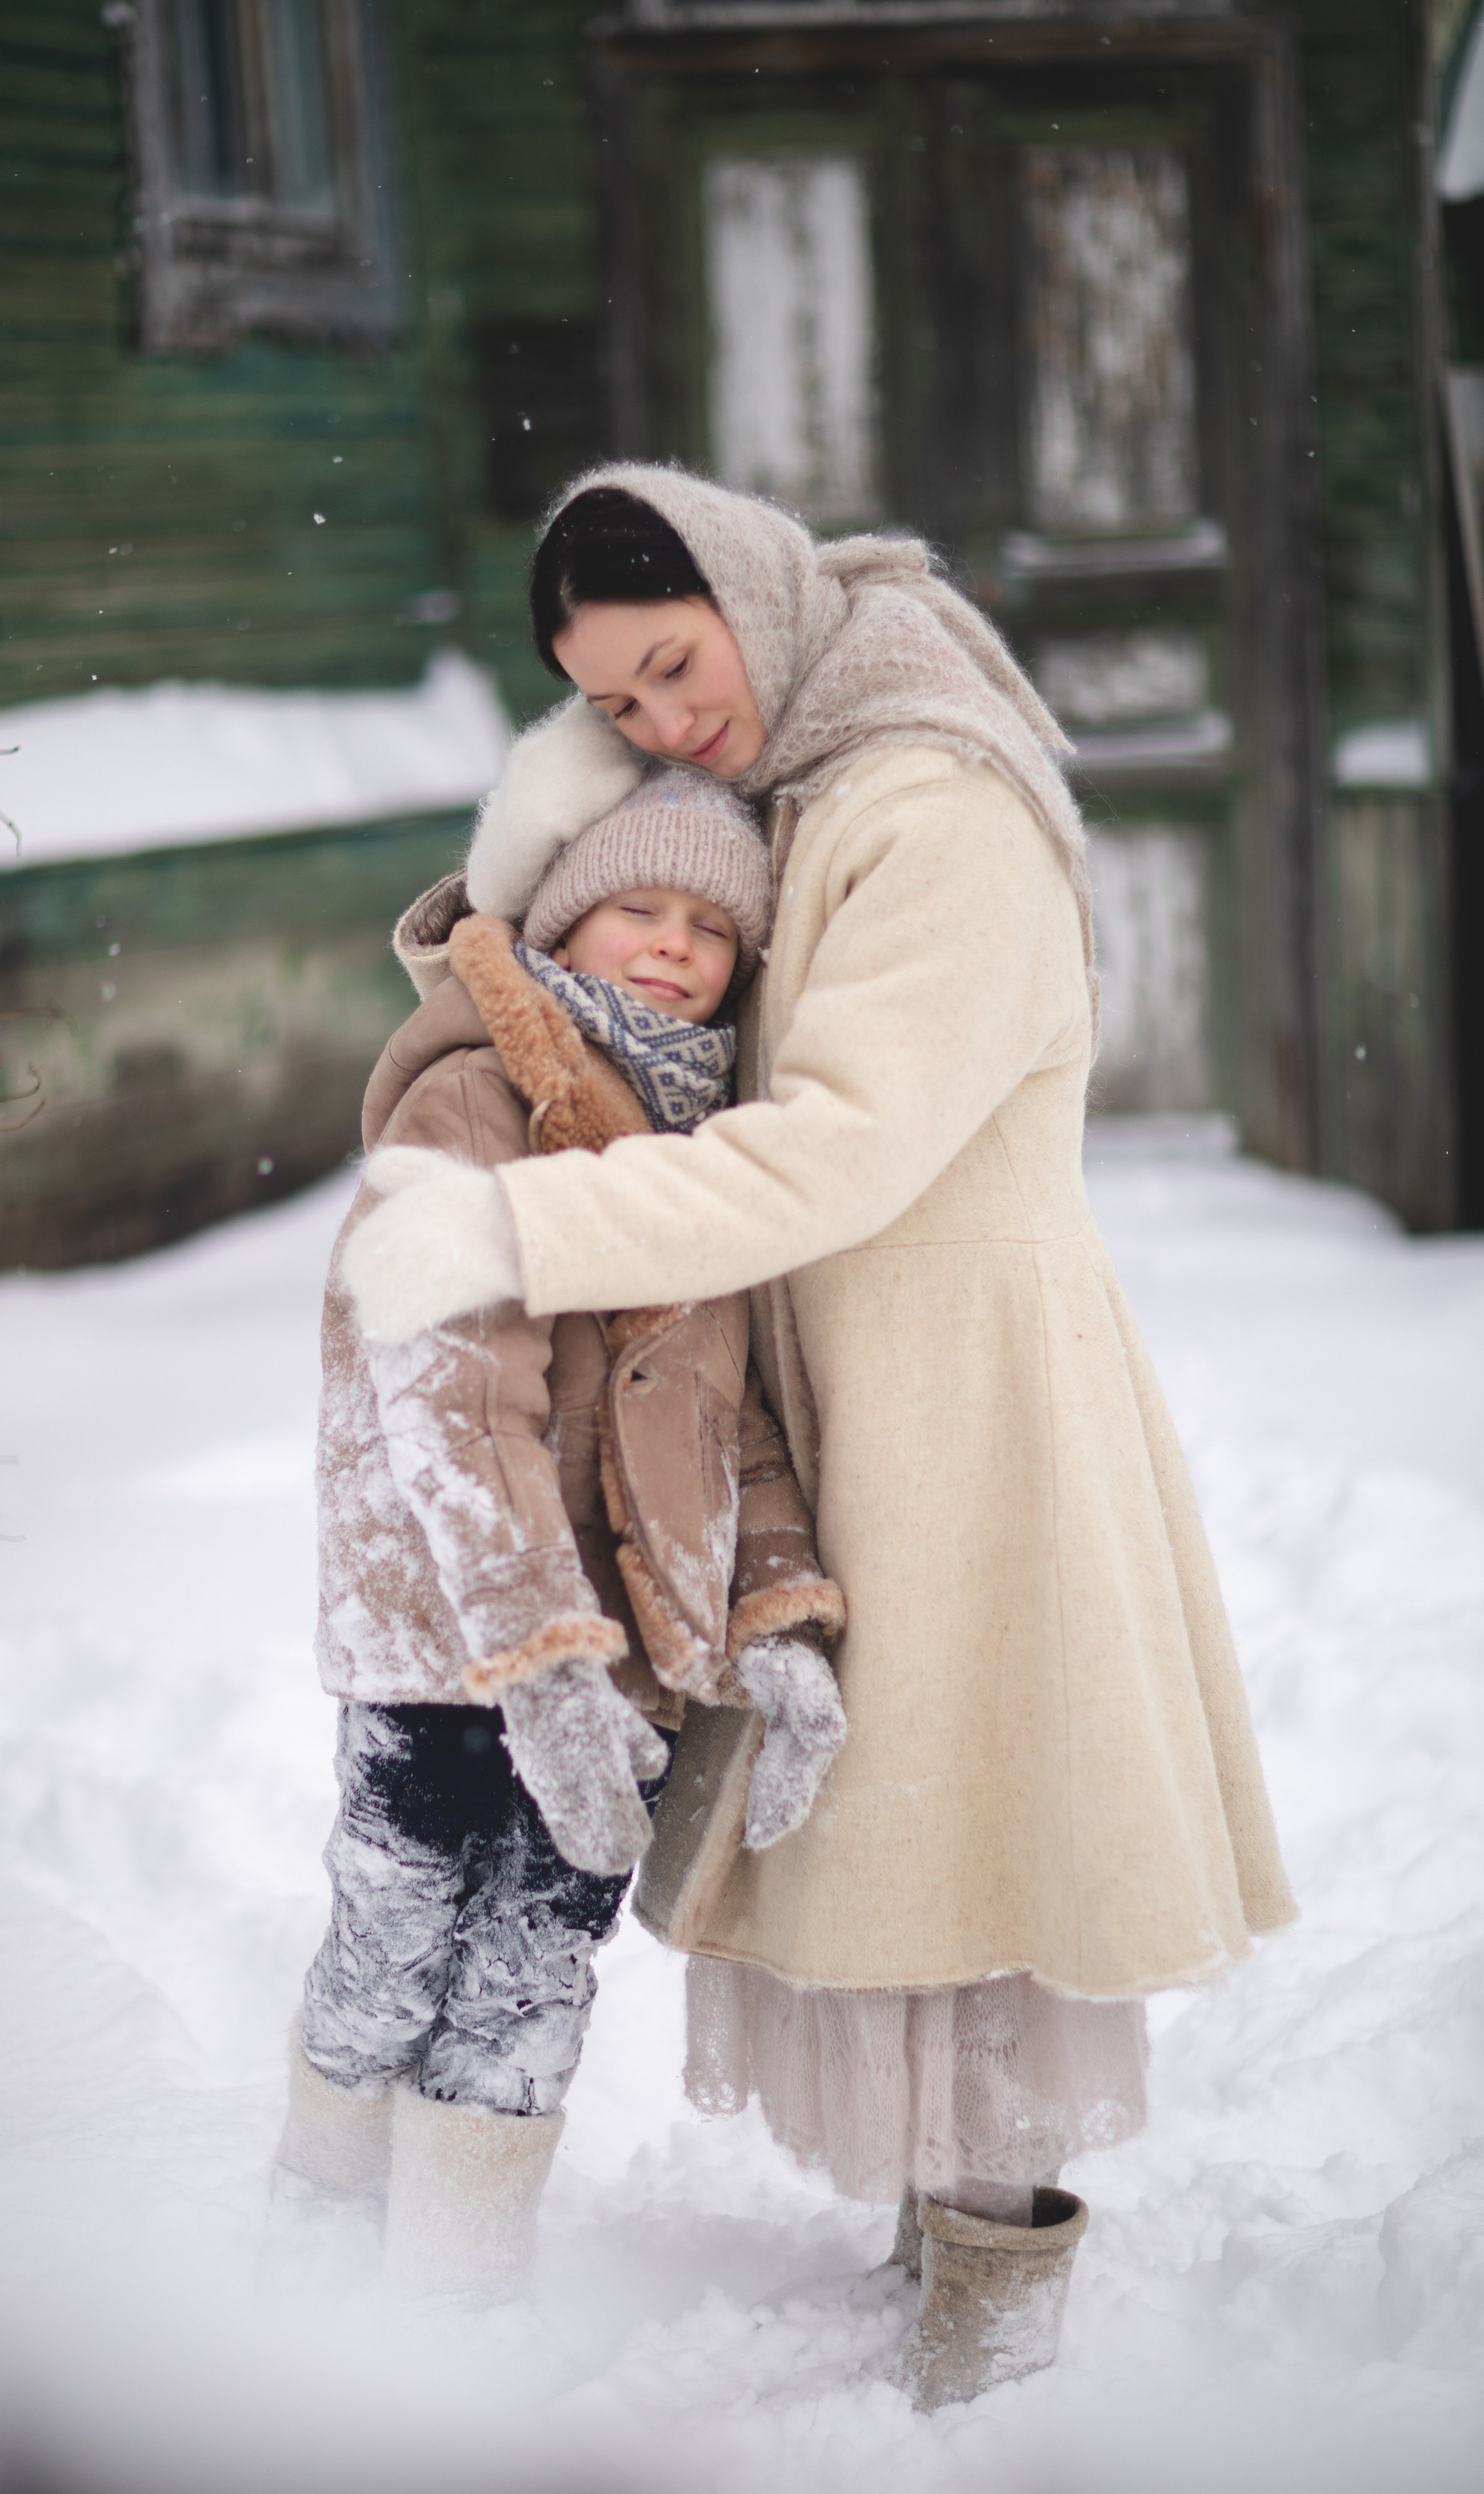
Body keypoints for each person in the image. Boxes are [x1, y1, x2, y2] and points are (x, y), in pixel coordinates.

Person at [340, 466, 1299, 2404]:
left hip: (963, 1392)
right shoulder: (795, 794)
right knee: (898, 1821)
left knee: (988, 1822)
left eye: (676, 667)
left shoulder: (932, 803)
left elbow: (844, 1145)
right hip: (837, 1373)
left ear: (757, 605)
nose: (663, 725)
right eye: (612, 706)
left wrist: (518, 1230)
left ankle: (998, 2289)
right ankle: (941, 2234)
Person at [274, 761, 848, 2308]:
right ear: (564, 919)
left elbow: (724, 1421)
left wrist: (778, 1615)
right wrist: (538, 1657)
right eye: (634, 909)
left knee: (534, 1975)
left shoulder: (709, 1148)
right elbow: (453, 1396)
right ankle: (315, 2255)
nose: (671, 945)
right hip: (452, 1651)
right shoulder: (477, 1098)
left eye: (707, 928)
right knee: (396, 1941)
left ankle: (454, 2302)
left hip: (628, 1683)